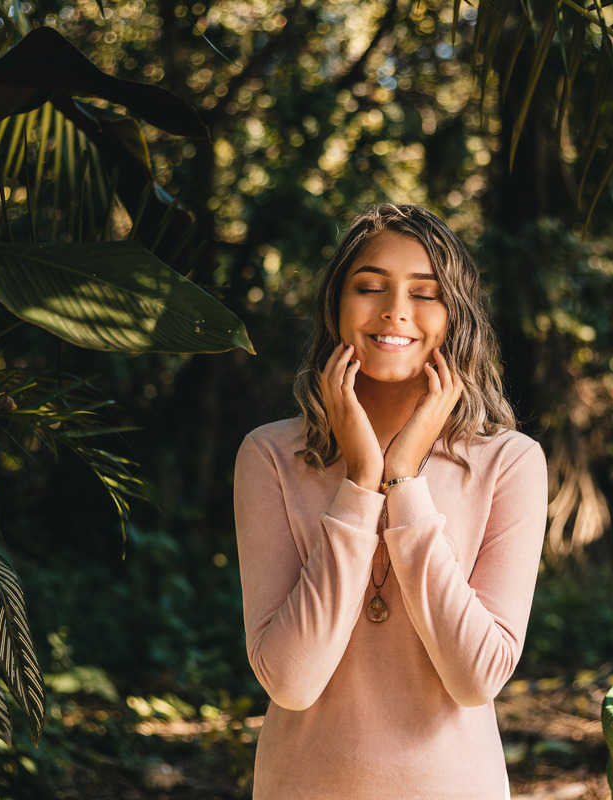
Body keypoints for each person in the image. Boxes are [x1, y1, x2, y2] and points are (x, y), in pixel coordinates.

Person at [234, 203, 548, 799]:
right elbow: (292, 682)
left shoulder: (510, 463)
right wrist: (359, 485)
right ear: (336, 307)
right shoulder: (270, 456)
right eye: (370, 286)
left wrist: (403, 481)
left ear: (457, 317)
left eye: (425, 293)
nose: (394, 310)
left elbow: (477, 677)